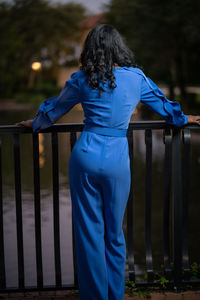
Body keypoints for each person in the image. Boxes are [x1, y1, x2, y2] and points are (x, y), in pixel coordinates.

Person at [16, 24, 200, 300]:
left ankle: (94, 296)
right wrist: (185, 119)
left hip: (86, 155)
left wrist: (36, 122)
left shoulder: (81, 79)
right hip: (116, 160)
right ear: (119, 48)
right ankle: (115, 295)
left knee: (89, 233)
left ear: (90, 50)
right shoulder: (136, 78)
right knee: (114, 232)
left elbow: (54, 110)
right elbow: (166, 108)